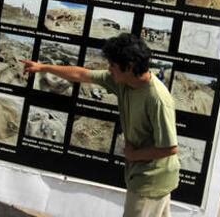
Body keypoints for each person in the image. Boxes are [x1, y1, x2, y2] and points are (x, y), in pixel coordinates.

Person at [21, 33, 180, 217]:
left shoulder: (157, 99)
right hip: (147, 175)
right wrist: (43, 67)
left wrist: (133, 154)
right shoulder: (123, 82)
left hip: (151, 179)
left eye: (112, 65)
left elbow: (170, 147)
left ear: (129, 67)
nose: (109, 69)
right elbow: (81, 74)